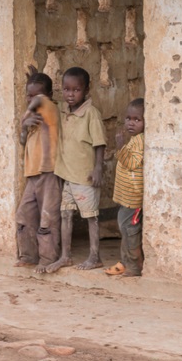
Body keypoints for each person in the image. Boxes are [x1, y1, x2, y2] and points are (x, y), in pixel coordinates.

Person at [45, 66, 107, 273]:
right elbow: (47, 103)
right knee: (66, 215)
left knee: (91, 216)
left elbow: (99, 143)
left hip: (85, 176)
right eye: (66, 89)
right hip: (67, 175)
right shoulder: (63, 109)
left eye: (76, 90)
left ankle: (94, 256)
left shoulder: (91, 113)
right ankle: (65, 256)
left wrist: (98, 168)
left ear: (86, 90)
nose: (70, 94)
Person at [14, 66, 62, 273]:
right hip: (33, 174)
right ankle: (28, 255)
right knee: (24, 215)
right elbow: (23, 141)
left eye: (36, 94)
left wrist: (26, 115)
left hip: (49, 172)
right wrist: (24, 126)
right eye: (28, 95)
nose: (31, 98)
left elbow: (39, 100)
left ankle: (47, 259)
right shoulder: (35, 115)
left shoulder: (50, 108)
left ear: (49, 95)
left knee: (47, 217)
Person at [105, 98, 145, 277]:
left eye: (137, 119)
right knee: (125, 229)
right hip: (126, 199)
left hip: (133, 199)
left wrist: (120, 146)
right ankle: (124, 262)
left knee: (131, 233)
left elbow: (131, 162)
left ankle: (135, 267)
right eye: (128, 118)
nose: (131, 123)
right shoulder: (134, 139)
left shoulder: (140, 141)